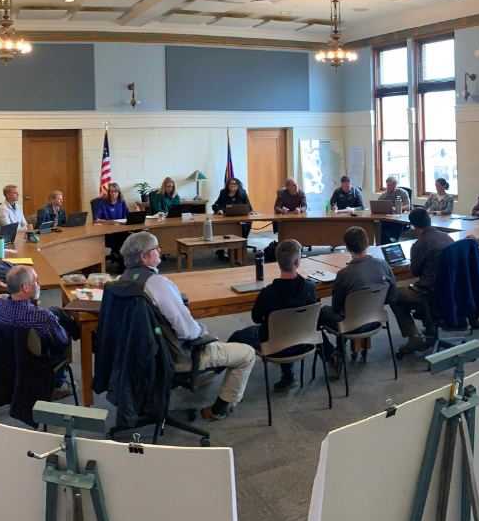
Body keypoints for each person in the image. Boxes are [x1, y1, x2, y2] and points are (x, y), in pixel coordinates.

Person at [120, 232, 255, 421]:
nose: (159, 251)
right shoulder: (157, 284)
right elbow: (187, 331)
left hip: (143, 356)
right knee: (247, 353)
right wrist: (201, 329)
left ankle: (204, 377)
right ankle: (219, 409)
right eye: (155, 248)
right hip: (175, 357)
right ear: (144, 257)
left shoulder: (121, 282)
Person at [228, 239, 329, 392]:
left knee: (238, 336)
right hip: (303, 342)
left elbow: (256, 317)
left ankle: (213, 370)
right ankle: (288, 373)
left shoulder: (268, 292)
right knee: (287, 325)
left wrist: (268, 317)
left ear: (277, 261)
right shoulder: (310, 287)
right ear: (298, 262)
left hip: (274, 346)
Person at [0, 265, 80, 399]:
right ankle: (57, 385)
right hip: (35, 364)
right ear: (25, 287)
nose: (39, 283)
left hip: (7, 361)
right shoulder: (43, 318)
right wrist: (65, 334)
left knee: (55, 310)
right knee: (64, 342)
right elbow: (61, 343)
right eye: (36, 280)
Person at [320, 226, 398, 377]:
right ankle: (340, 348)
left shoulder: (344, 274)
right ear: (368, 243)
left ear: (347, 248)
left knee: (320, 313)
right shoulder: (383, 265)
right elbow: (392, 296)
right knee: (346, 312)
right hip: (375, 320)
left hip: (350, 325)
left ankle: (332, 354)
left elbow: (336, 309)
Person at [391, 208, 453, 354]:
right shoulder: (447, 238)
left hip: (429, 294)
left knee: (394, 295)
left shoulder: (419, 245)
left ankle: (413, 336)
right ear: (429, 220)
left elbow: (415, 272)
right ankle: (429, 327)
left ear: (414, 226)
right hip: (451, 291)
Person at [212, 177, 253, 245]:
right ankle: (221, 249)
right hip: (226, 217)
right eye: (230, 184)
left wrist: (248, 211)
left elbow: (247, 206)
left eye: (234, 184)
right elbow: (216, 205)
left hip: (240, 217)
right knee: (220, 227)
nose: (232, 185)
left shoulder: (242, 193)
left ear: (238, 185)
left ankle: (242, 243)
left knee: (247, 224)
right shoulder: (223, 193)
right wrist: (219, 210)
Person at [378, 176, 411, 242]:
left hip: (399, 217)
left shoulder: (403, 193)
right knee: (382, 223)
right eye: (387, 185)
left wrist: (396, 208)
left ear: (395, 185)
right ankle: (384, 240)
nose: (388, 187)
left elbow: (408, 207)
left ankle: (394, 239)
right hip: (389, 217)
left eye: (390, 185)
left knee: (397, 223)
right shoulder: (385, 194)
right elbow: (378, 204)